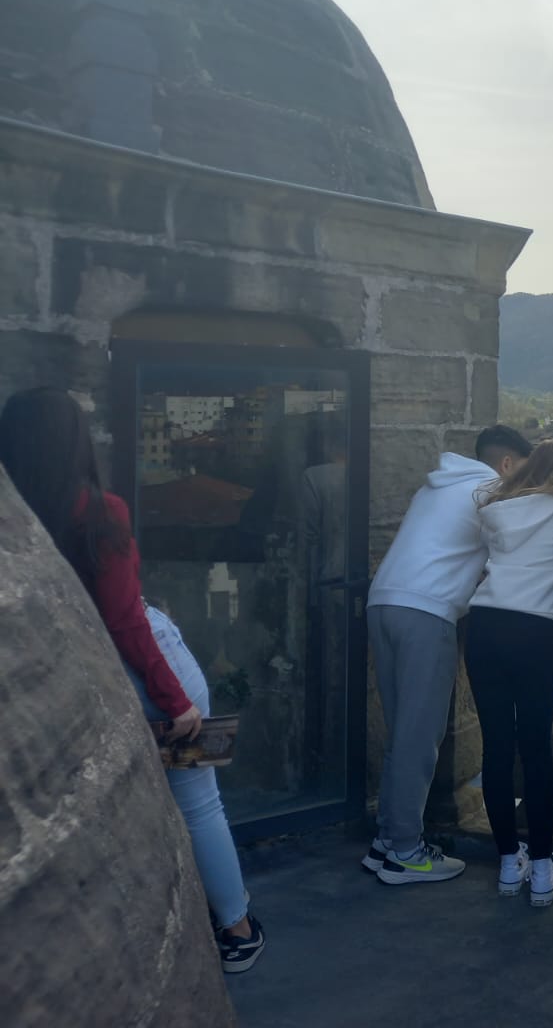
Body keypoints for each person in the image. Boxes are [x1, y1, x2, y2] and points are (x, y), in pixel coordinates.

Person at [0, 387, 264, 973]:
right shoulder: (98, 511)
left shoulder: (20, 521)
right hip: (153, 674)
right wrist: (176, 701)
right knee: (199, 804)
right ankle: (238, 931)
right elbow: (125, 619)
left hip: (82, 675)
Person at [363, 424, 532, 885]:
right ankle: (405, 852)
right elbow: (521, 555)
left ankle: (386, 841)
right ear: (507, 464)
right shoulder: (492, 492)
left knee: (402, 731)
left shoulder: (438, 485)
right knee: (420, 735)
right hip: (426, 611)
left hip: (384, 603)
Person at [464, 440, 553, 907]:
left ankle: (508, 862)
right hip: (535, 630)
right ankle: (540, 869)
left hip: (485, 625)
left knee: (497, 747)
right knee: (535, 747)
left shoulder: (496, 509)